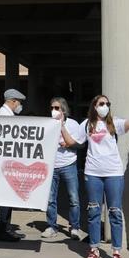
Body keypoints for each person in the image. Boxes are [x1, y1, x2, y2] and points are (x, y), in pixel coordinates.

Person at [82, 94, 129, 258]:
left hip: (114, 174)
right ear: (94, 105)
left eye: (107, 104)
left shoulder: (114, 123)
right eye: (101, 103)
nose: (105, 106)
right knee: (94, 212)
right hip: (93, 173)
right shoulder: (87, 124)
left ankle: (116, 252)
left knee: (115, 212)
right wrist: (61, 126)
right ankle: (94, 250)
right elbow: (74, 141)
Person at [42, 97, 86, 240]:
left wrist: (68, 141)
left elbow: (79, 143)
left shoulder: (73, 124)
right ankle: (51, 226)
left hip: (68, 165)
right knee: (50, 199)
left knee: (73, 198)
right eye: (52, 108)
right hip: (51, 166)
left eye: (57, 108)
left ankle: (75, 227)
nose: (53, 111)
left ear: (63, 110)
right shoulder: (47, 123)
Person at [0, 88, 28, 242]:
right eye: (19, 102)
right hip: (5, 165)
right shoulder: (3, 116)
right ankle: (2, 231)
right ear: (13, 101)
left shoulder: (8, 114)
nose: (20, 105)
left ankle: (6, 229)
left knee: (8, 199)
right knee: (5, 199)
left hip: (8, 165)